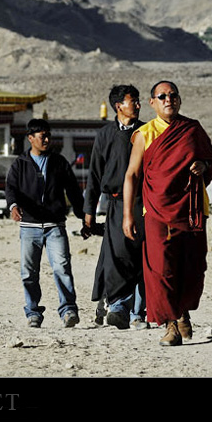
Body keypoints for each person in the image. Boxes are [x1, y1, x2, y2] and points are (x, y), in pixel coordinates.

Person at [123, 81, 212, 346]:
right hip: (156, 210)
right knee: (160, 270)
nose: (169, 100)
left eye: (173, 95)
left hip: (190, 209)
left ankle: (182, 312)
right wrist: (127, 215)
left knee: (191, 267)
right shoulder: (145, 133)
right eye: (162, 96)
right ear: (153, 102)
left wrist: (203, 165)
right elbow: (132, 174)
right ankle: (170, 325)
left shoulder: (192, 130)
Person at [6, 118, 86, 329]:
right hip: (29, 228)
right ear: (30, 138)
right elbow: (11, 189)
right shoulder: (20, 164)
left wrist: (84, 216)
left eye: (48, 135)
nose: (47, 140)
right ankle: (33, 313)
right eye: (42, 136)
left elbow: (74, 192)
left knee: (62, 268)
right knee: (28, 273)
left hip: (55, 226)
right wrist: (13, 206)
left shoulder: (59, 163)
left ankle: (68, 310)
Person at [83, 84, 146, 330]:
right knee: (118, 255)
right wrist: (88, 213)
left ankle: (139, 312)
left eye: (139, 100)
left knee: (144, 256)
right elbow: (95, 174)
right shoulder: (105, 134)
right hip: (117, 203)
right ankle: (119, 306)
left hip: (144, 203)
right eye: (134, 101)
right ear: (119, 106)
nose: (138, 105)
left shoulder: (147, 131)